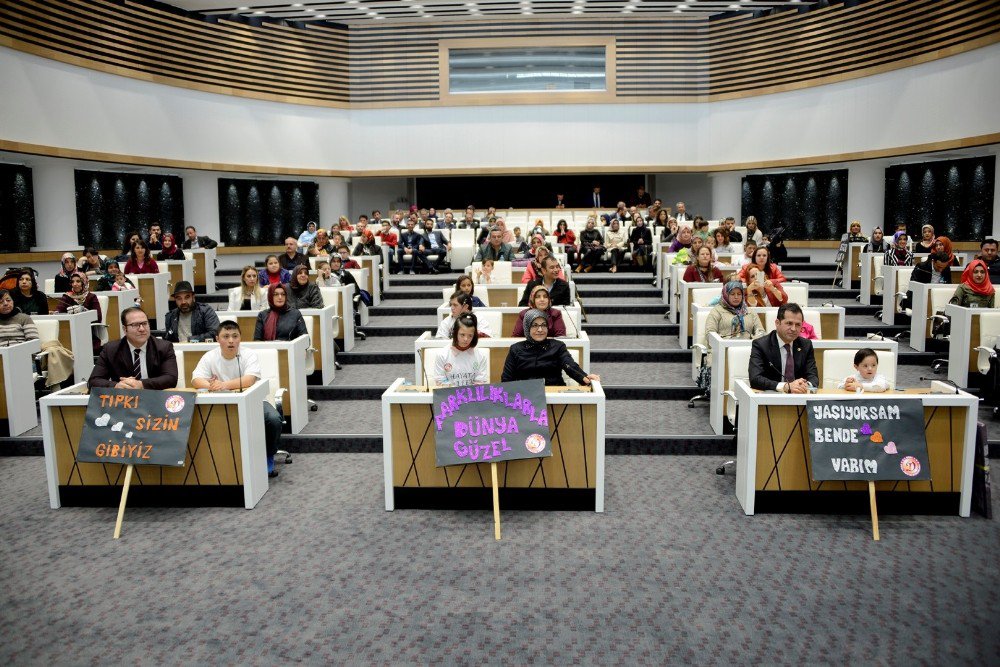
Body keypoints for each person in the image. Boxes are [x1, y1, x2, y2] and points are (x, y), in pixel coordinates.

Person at [191, 320, 283, 477]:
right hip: (221, 402)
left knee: (273, 419)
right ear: (217, 339)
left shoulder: (248, 354)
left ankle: (268, 455)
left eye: (235, 336)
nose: (231, 340)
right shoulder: (209, 356)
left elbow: (249, 380)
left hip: (253, 400)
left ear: (240, 338)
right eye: (225, 336)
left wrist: (223, 385)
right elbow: (195, 380)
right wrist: (212, 385)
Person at [501, 309, 599, 386]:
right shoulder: (516, 349)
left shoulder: (557, 346)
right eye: (534, 325)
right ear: (527, 328)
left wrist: (584, 377)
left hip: (554, 393)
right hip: (526, 398)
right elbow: (506, 379)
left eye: (543, 325)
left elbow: (569, 365)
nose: (540, 329)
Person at [89, 306, 178, 390]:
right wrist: (116, 386)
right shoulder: (111, 349)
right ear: (125, 329)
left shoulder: (164, 347)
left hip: (155, 400)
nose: (142, 329)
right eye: (135, 325)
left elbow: (171, 379)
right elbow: (93, 381)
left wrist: (141, 384)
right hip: (124, 401)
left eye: (144, 323)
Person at [748, 303, 818, 394]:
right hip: (769, 400)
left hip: (799, 398)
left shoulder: (806, 345)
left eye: (798, 325)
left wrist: (805, 385)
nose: (793, 329)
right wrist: (785, 386)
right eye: (789, 323)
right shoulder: (761, 345)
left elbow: (813, 377)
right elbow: (755, 379)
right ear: (777, 323)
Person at [432, 313, 490, 387]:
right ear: (455, 333)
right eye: (462, 334)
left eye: (470, 335)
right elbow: (440, 381)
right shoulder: (442, 354)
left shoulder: (481, 356)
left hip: (472, 396)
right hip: (449, 396)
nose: (466, 339)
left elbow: (480, 382)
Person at [56, 272, 103, 351]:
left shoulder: (91, 297)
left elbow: (98, 317)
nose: (74, 284)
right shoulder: (67, 296)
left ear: (84, 282)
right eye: (72, 282)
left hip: (88, 333)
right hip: (70, 333)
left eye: (78, 281)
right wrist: (55, 313)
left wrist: (84, 311)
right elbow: (59, 310)